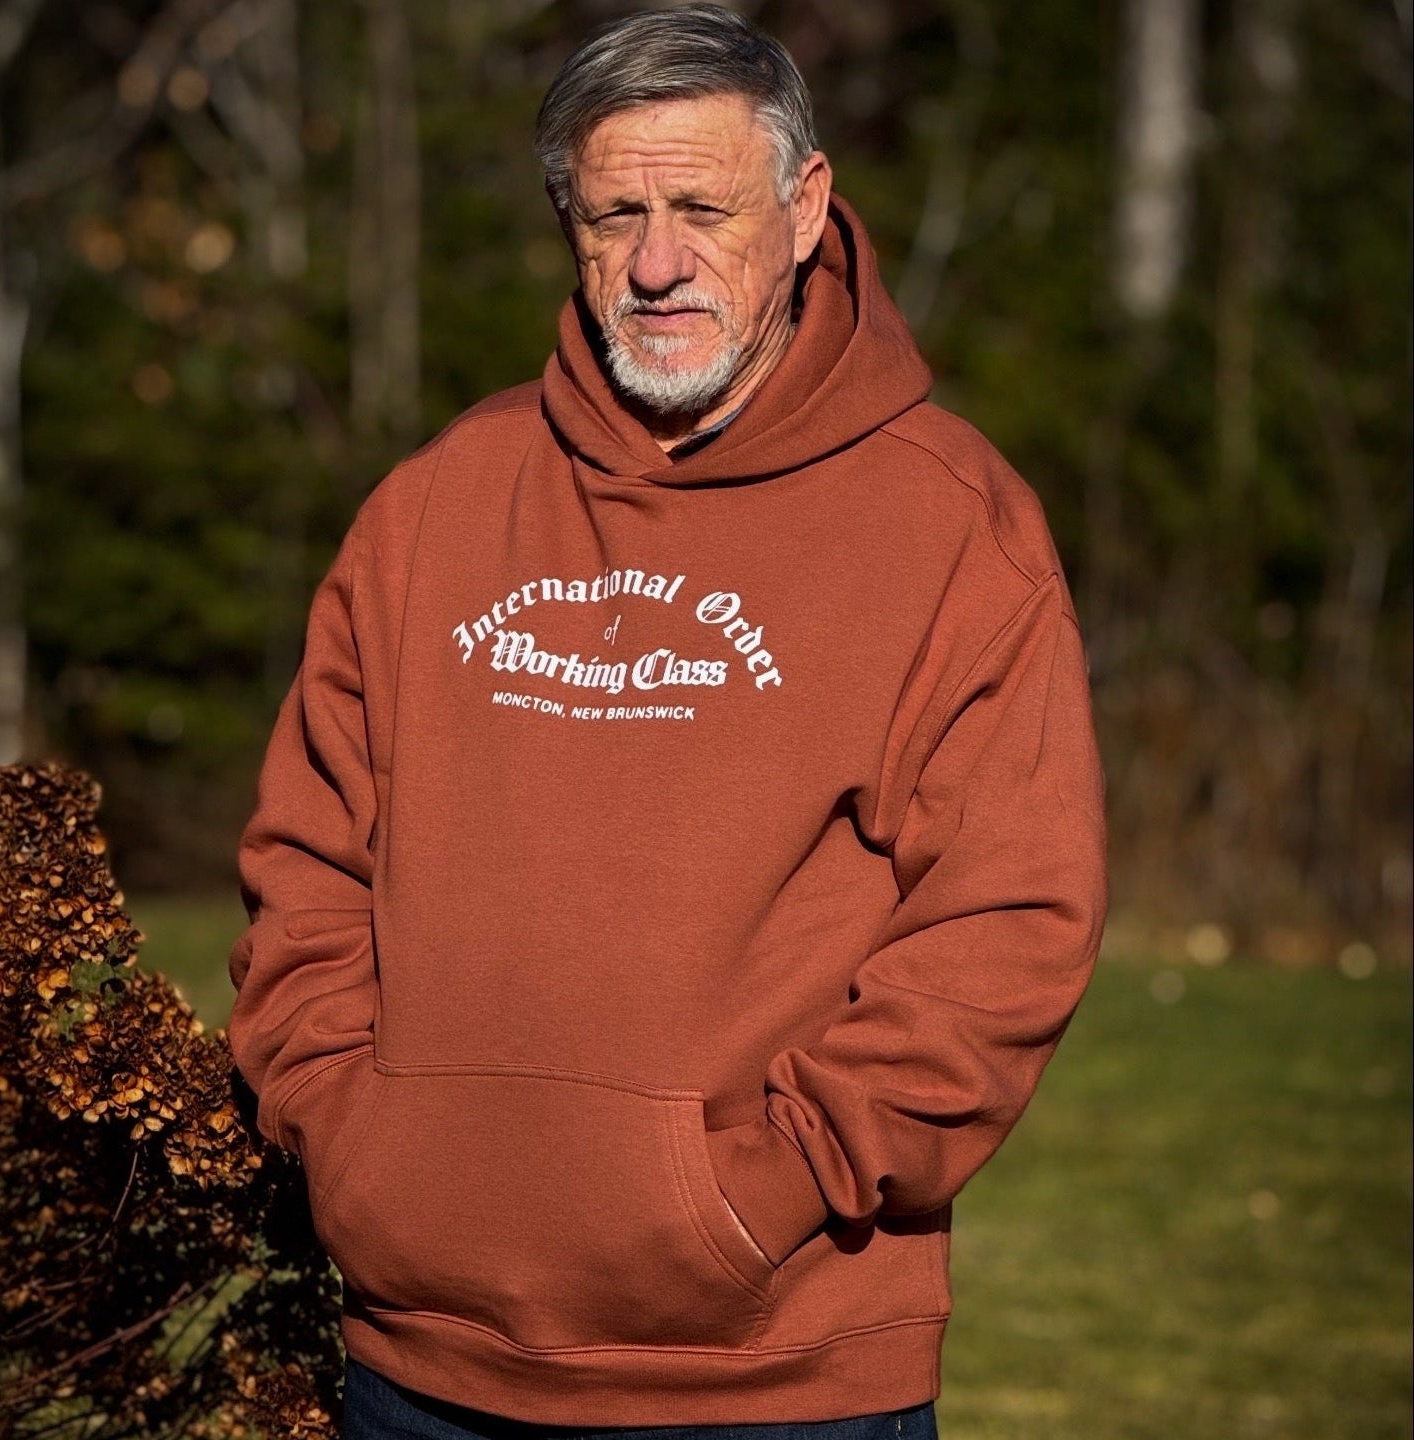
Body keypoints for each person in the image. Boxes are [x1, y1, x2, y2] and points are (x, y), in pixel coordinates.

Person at [228, 6, 1106, 1437]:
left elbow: (1006, 929)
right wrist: (355, 1142)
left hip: (770, 1377)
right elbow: (305, 867)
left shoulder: (949, 527)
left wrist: (755, 1191)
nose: (654, 261)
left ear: (808, 206)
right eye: (614, 211)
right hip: (417, 1368)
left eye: (703, 207)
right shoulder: (437, 505)